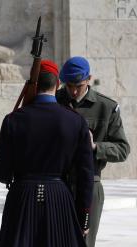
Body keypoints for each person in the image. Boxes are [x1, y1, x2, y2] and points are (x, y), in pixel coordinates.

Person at [0, 60, 94, 247]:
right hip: (59, 197)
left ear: (34, 85)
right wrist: (83, 217)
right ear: (57, 84)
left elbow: (0, 172)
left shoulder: (13, 120)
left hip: (22, 197)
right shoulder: (76, 121)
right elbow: (85, 176)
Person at [56, 56, 131, 247]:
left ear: (89, 79)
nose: (73, 91)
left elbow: (123, 149)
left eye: (78, 85)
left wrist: (95, 147)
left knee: (84, 242)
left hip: (89, 185)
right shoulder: (54, 101)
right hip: (57, 184)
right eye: (69, 85)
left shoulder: (106, 107)